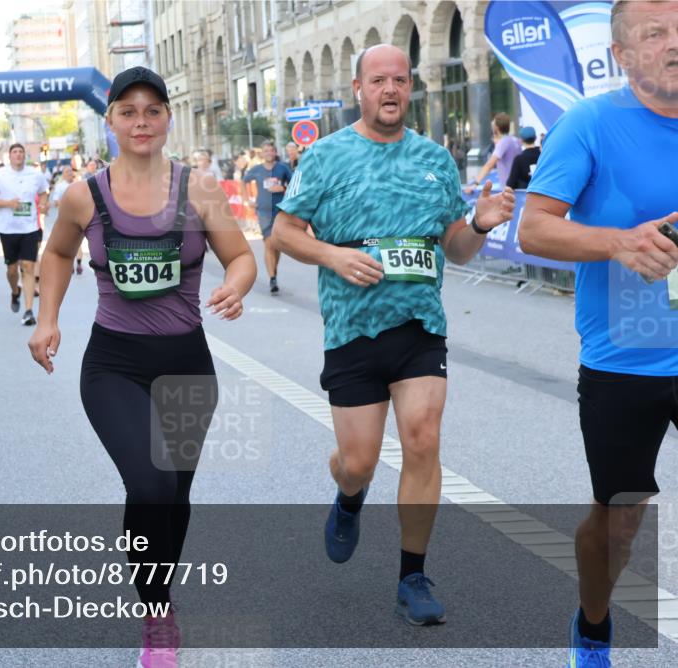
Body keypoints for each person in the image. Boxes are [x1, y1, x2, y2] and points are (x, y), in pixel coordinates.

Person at [272, 44, 514, 626]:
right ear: (358, 88)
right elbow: (283, 231)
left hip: (419, 326)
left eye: (399, 80)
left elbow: (453, 245)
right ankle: (349, 495)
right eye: (378, 80)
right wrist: (333, 256)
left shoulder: (434, 158)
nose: (389, 90)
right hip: (353, 330)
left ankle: (412, 575)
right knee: (358, 461)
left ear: (411, 88)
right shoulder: (327, 156)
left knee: (423, 438)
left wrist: (478, 224)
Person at [27, 65, 256, 668]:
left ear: (167, 118)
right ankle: (156, 614)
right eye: (128, 111)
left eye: (152, 110)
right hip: (114, 365)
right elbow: (55, 253)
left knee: (176, 496)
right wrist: (47, 318)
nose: (141, 121)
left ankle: (162, 595)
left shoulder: (199, 189)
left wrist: (235, 285)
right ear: (111, 122)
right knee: (148, 483)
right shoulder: (85, 194)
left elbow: (240, 257)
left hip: (186, 364)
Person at [518, 2, 678, 665]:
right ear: (622, 55)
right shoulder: (590, 123)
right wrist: (619, 242)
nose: (676, 44)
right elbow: (533, 228)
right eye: (657, 33)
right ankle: (592, 624)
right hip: (626, 363)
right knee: (620, 518)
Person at [0, 143, 50, 325]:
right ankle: (15, 291)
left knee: (28, 267)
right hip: (7, 228)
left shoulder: (35, 175)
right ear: (9, 156)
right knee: (12, 270)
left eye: (21, 152)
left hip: (29, 227)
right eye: (15, 152)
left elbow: (44, 192)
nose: (18, 155)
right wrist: (8, 204)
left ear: (25, 156)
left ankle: (29, 311)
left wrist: (43, 204)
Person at [243, 140, 293, 293]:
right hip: (263, 211)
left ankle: (273, 272)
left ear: (275, 152)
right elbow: (243, 181)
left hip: (280, 211)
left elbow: (295, 184)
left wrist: (283, 187)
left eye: (271, 150)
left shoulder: (283, 168)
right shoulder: (256, 169)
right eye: (266, 151)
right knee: (269, 243)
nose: (269, 153)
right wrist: (247, 200)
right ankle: (272, 278)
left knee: (276, 245)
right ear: (262, 154)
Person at [464, 112, 521, 193]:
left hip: (507, 188)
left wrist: (475, 184)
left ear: (496, 127)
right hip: (518, 187)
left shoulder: (503, 142)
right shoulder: (516, 140)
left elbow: (489, 164)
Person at [45, 165, 84, 275]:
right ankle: (70, 264)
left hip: (79, 216)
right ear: (63, 174)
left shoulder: (79, 184)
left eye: (70, 171)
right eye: (66, 172)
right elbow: (56, 201)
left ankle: (79, 263)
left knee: (78, 241)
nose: (69, 173)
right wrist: (67, 207)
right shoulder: (60, 186)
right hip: (65, 218)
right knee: (69, 242)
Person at [505, 126, 541, 191]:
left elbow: (510, 183)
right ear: (535, 138)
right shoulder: (542, 155)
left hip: (525, 198)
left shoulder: (519, 159)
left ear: (521, 141)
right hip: (543, 195)